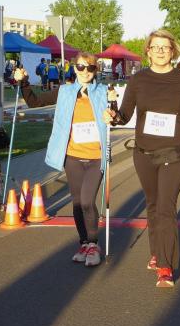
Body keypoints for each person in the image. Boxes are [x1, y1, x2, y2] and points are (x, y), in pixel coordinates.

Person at [104, 30, 180, 288]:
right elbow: (125, 115)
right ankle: (156, 252)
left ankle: (165, 265)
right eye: (156, 47)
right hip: (144, 153)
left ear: (173, 51)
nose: (161, 51)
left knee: (165, 206)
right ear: (148, 51)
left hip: (176, 153)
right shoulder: (138, 80)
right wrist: (113, 117)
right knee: (153, 205)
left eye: (165, 47)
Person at [12, 52, 111, 267]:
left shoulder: (104, 92)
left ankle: (94, 244)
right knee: (77, 203)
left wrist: (114, 114)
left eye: (90, 68)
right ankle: (84, 243)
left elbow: (119, 117)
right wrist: (24, 82)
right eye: (81, 67)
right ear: (74, 68)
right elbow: (35, 102)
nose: (85, 71)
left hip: (96, 157)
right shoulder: (65, 91)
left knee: (87, 201)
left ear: (96, 70)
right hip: (72, 156)